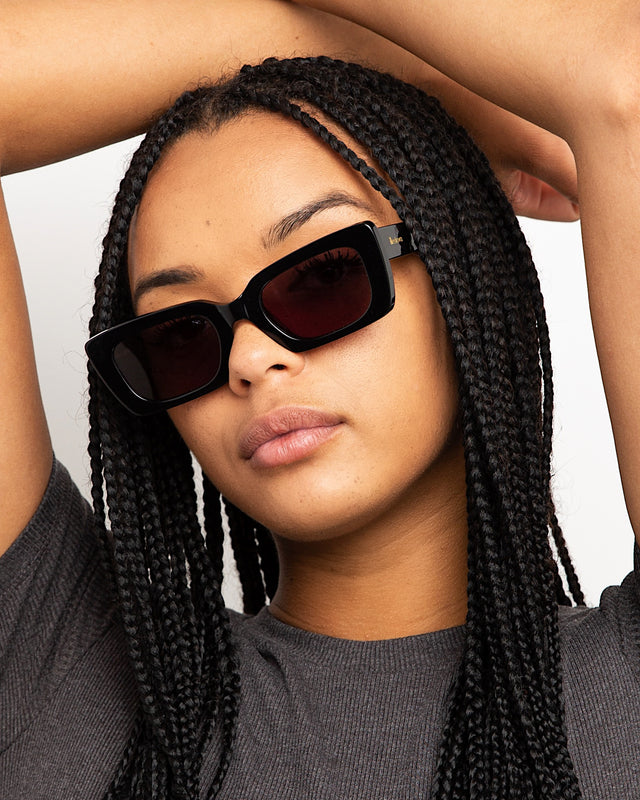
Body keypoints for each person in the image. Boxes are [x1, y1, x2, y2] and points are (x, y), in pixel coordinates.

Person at [1, 2, 639, 800]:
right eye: (183, 336)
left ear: (460, 270)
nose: (251, 358)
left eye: (321, 276)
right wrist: (412, 69)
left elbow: (625, 77)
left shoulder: (628, 685)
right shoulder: (69, 681)